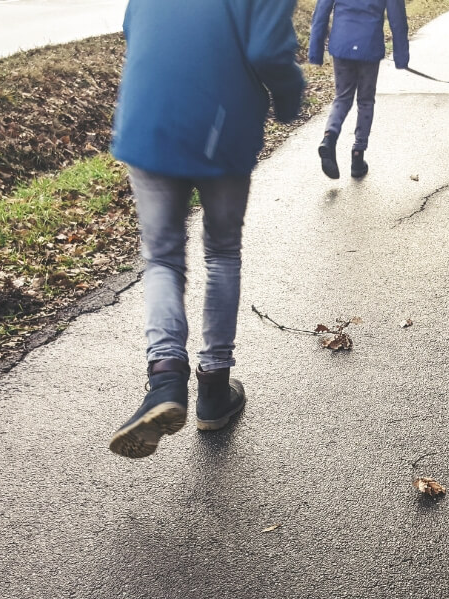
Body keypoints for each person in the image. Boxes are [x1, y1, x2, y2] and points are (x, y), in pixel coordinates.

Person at [108, 0, 303, 458]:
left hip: (147, 116)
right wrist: (291, 100)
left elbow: (133, 27)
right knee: (221, 253)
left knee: (161, 257)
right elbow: (269, 52)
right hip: (219, 123)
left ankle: (165, 379)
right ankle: (213, 388)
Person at [309, 0, 409, 179]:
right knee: (365, 101)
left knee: (342, 98)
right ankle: (357, 156)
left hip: (342, 45)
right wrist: (401, 57)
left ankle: (329, 138)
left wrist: (315, 52)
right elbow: (397, 19)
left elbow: (321, 12)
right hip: (369, 47)